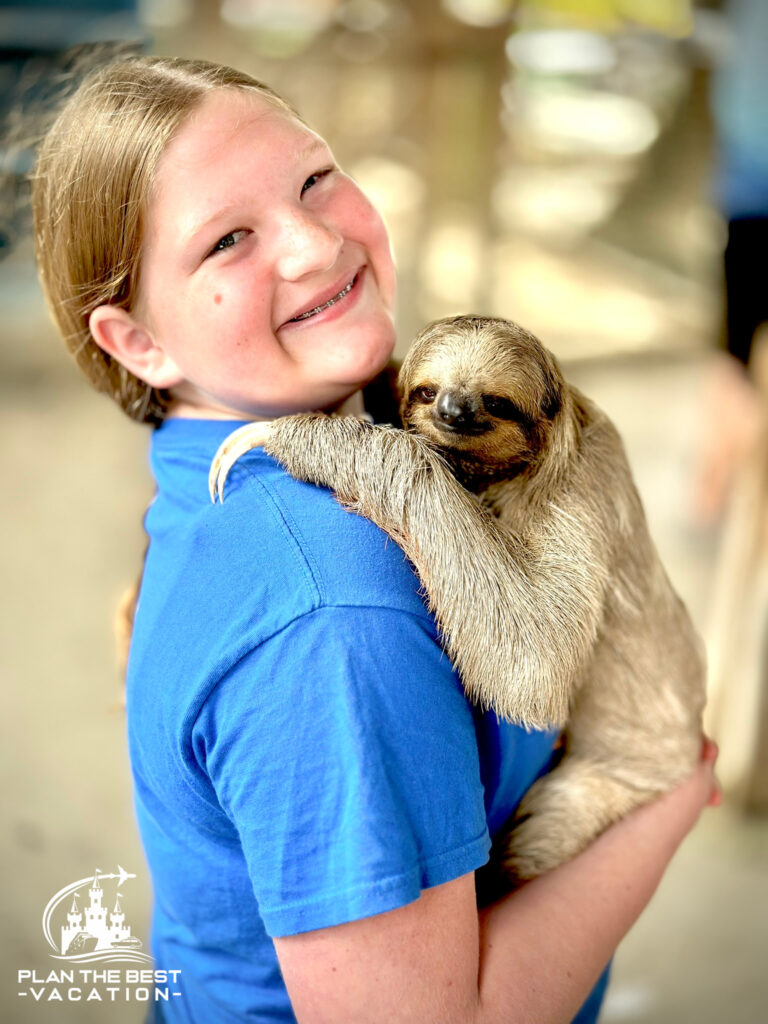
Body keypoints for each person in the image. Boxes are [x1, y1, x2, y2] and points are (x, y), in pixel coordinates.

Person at [31, 56, 719, 1024]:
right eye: (227, 239)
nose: (316, 242)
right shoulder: (333, 613)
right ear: (138, 340)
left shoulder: (215, 455)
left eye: (316, 177)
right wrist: (677, 794)